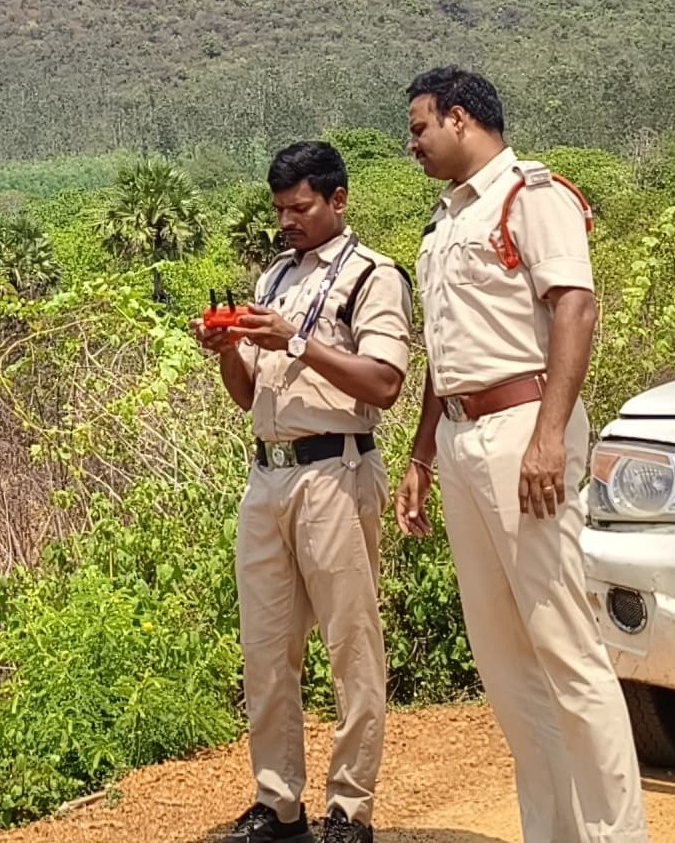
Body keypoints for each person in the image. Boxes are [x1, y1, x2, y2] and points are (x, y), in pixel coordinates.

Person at [394, 67, 648, 843]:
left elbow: (575, 304)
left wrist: (548, 433)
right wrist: (422, 452)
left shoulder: (531, 197)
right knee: (503, 659)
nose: (411, 144)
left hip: (522, 430)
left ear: (461, 118)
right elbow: (446, 351)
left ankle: (617, 835)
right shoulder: (444, 221)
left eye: (419, 127)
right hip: (466, 438)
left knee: (566, 645)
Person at [203, 140, 412, 843]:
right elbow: (246, 395)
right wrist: (231, 346)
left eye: (301, 208)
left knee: (351, 644)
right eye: (280, 210)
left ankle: (350, 807)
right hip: (268, 473)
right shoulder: (273, 280)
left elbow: (384, 382)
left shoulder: (371, 277)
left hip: (337, 469)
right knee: (266, 648)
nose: (288, 221)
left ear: (338, 200)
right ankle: (278, 801)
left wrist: (297, 341)